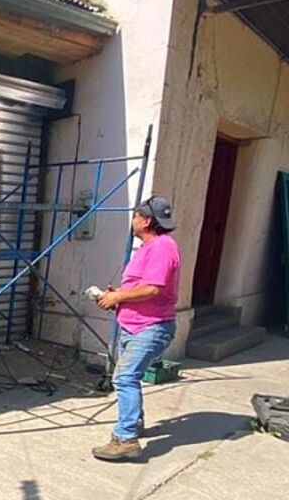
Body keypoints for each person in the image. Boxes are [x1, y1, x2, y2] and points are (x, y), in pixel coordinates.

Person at [92, 196, 181, 461]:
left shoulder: (163, 247)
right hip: (133, 325)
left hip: (151, 327)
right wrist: (117, 294)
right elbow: (140, 286)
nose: (132, 221)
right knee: (128, 377)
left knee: (124, 378)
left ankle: (125, 439)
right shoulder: (148, 247)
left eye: (135, 216)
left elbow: (154, 288)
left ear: (147, 220)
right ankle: (134, 423)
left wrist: (118, 298)